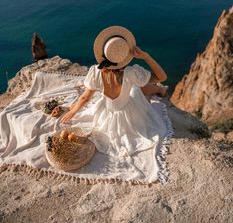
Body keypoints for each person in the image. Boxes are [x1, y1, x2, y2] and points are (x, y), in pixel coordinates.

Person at [60, 25, 170, 157]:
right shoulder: (131, 73)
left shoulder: (96, 71)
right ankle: (160, 89)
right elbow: (162, 77)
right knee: (136, 89)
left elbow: (85, 98)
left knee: (136, 87)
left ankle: (158, 89)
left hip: (106, 114)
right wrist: (146, 56)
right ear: (125, 56)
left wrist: (73, 111)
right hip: (129, 115)